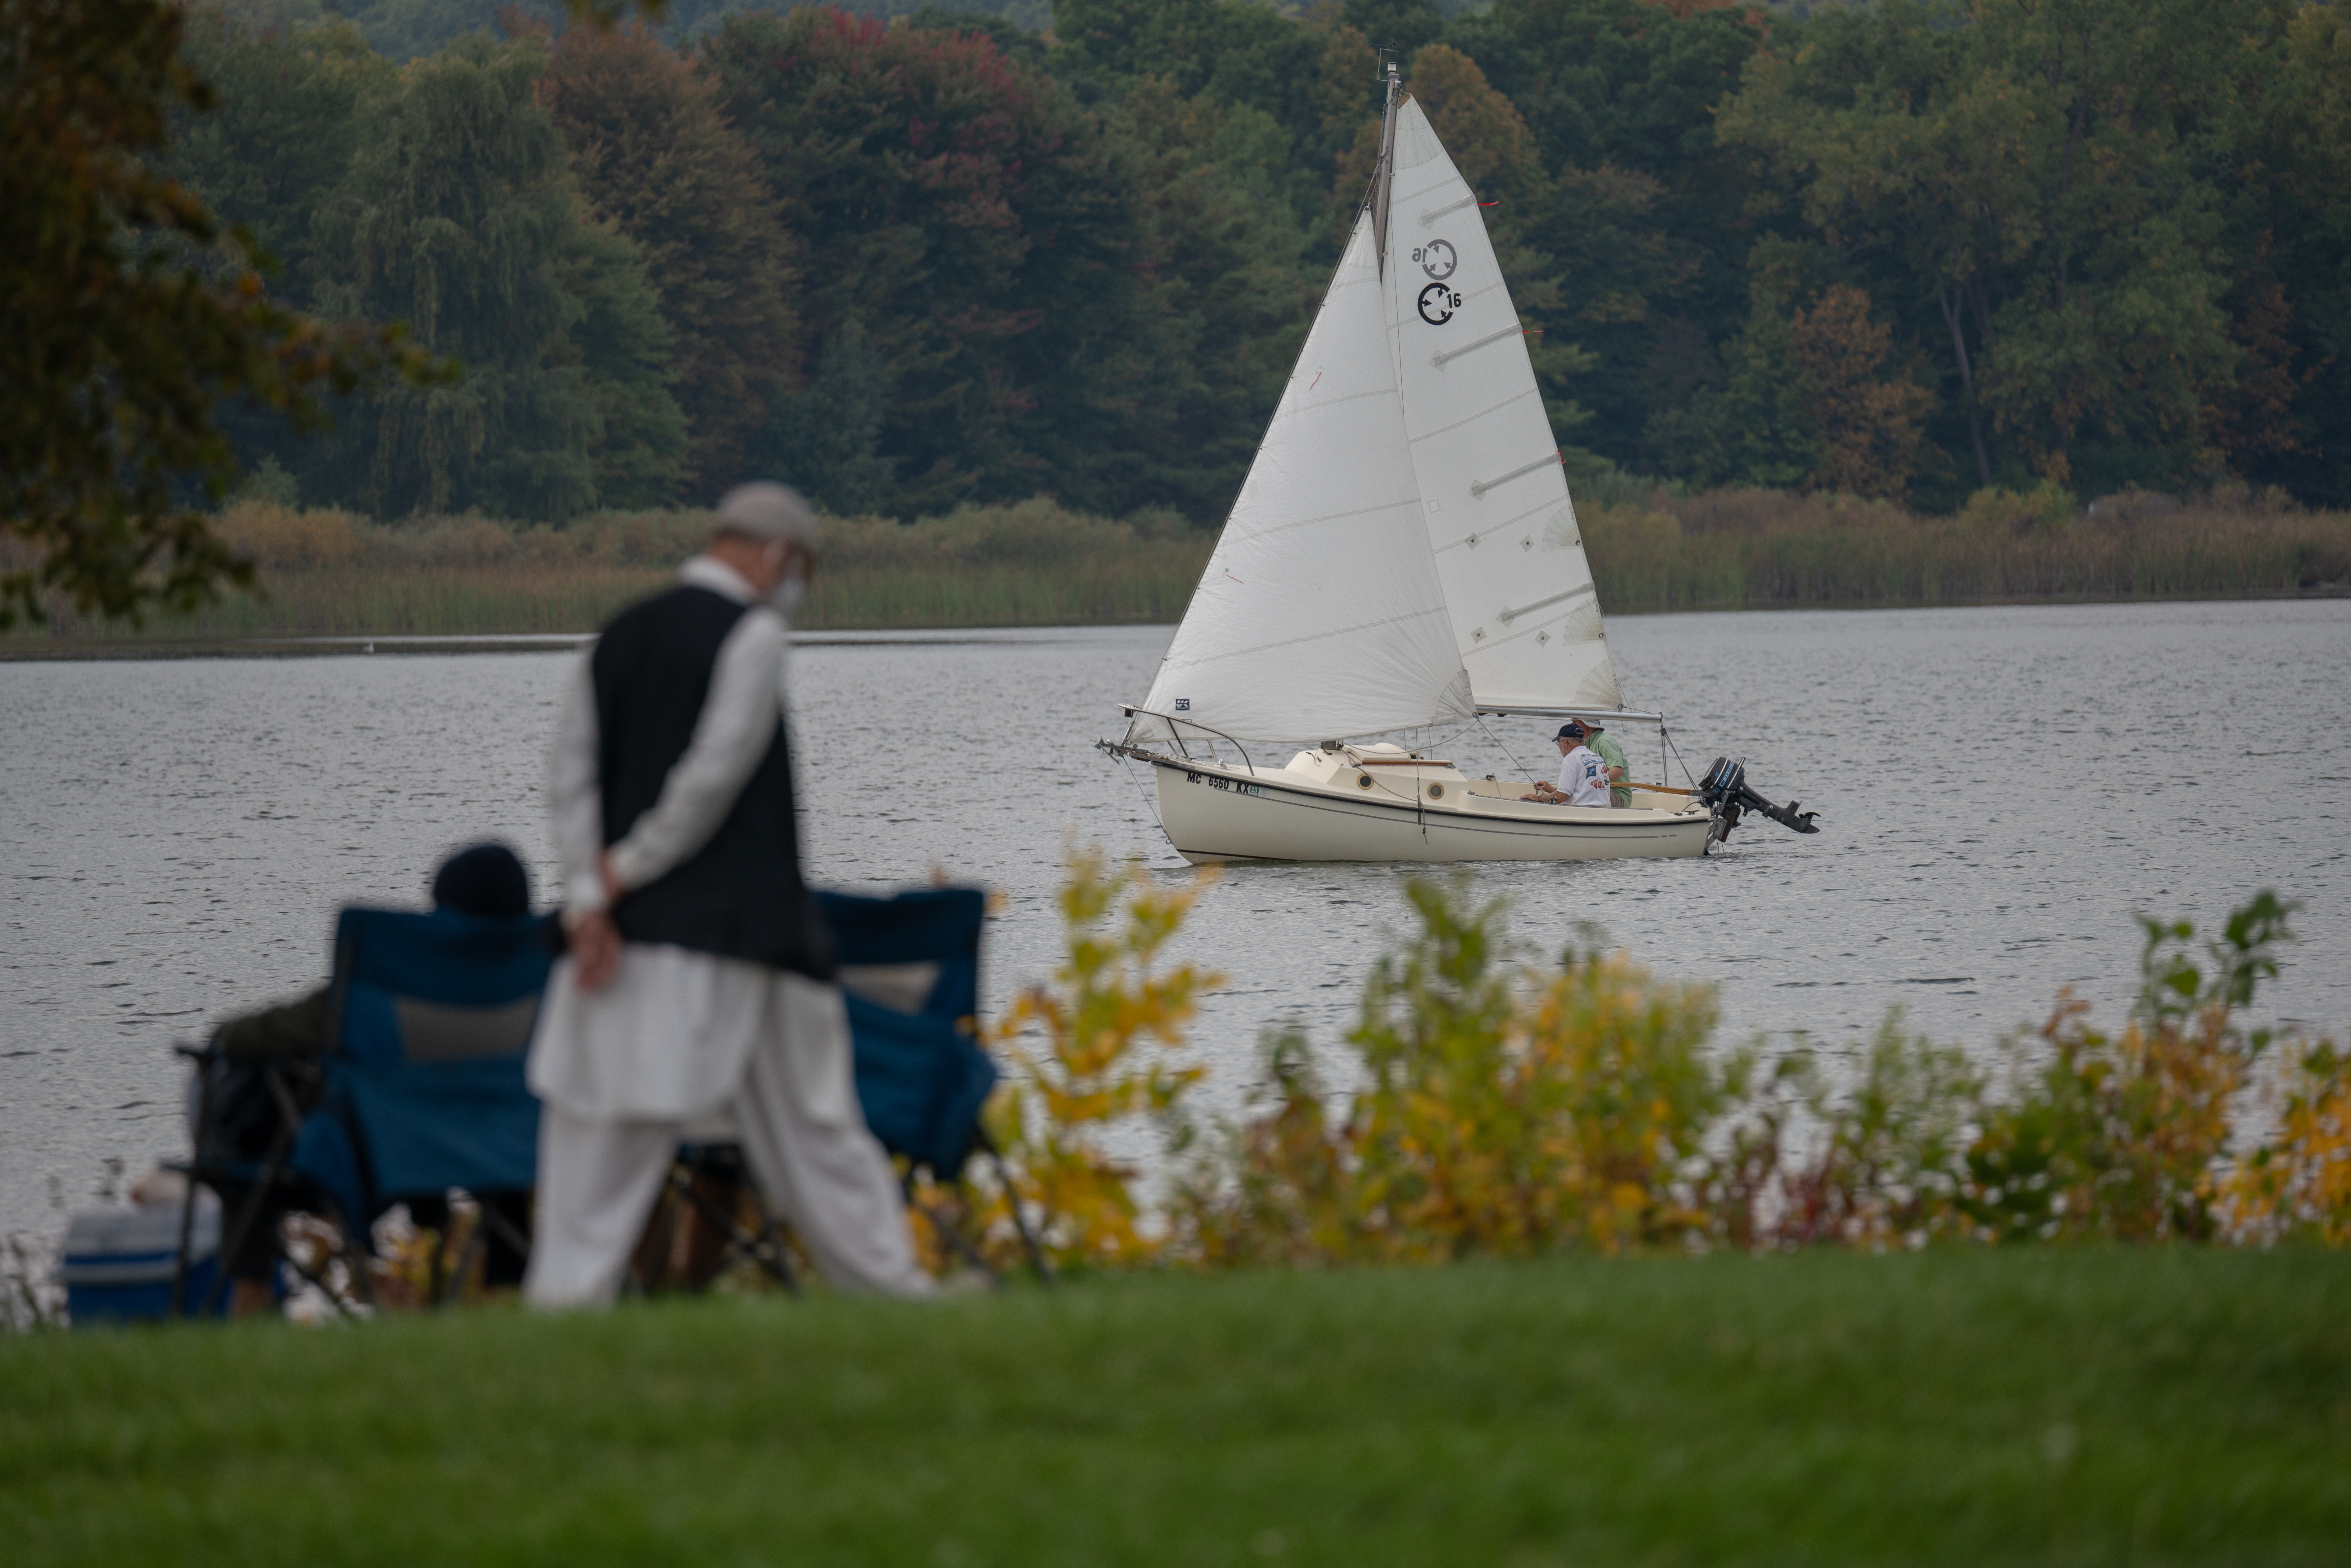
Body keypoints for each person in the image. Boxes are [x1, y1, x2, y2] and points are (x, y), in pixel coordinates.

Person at [524, 482, 933, 1307]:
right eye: (801, 573)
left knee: (602, 1129)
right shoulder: (752, 635)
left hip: (635, 932)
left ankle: (564, 1306)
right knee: (817, 1128)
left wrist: (587, 898)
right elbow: (710, 777)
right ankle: (890, 1291)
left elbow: (571, 777)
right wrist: (621, 875)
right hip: (748, 929)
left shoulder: (617, 633)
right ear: (778, 555)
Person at [189, 842, 536, 1316]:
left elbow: (238, 1039)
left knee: (238, 1103)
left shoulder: (391, 986)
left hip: (381, 1160)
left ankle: (252, 1295)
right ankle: (509, 1293)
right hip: (506, 1157)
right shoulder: (540, 985)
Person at [1525, 721, 1611, 807]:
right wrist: (1552, 790)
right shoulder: (1598, 758)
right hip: (1604, 812)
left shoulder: (1571, 758)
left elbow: (1563, 796)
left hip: (1581, 813)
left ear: (1565, 742)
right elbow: (1583, 793)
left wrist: (1538, 798)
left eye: (1559, 743)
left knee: (1526, 802)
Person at [1579, 716, 1633, 808]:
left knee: (1581, 796)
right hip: (1600, 792)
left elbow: (1618, 771)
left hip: (1618, 795)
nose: (1572, 725)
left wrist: (1592, 785)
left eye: (1575, 722)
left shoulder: (1605, 741)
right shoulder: (1585, 745)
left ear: (1587, 724)